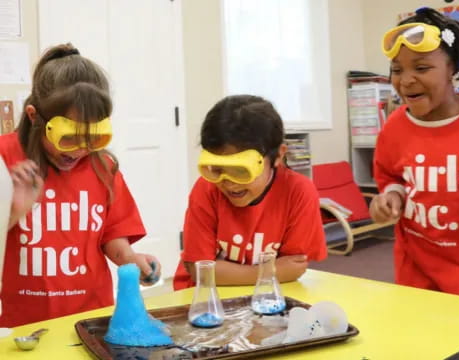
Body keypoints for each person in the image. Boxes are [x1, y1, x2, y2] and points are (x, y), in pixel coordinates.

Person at [0, 43, 161, 327]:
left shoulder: (103, 168)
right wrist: (14, 211)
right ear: (34, 116)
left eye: (93, 138)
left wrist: (132, 261)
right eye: (69, 138)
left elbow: (113, 236)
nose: (79, 150)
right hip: (20, 325)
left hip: (89, 319)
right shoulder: (5, 158)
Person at [370, 7, 459, 297]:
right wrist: (390, 197)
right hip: (416, 274)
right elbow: (391, 175)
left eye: (421, 68)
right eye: (397, 69)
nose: (406, 80)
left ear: (454, 68)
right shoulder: (394, 127)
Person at [173, 95, 327, 290]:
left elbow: (294, 267)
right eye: (217, 168)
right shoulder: (206, 188)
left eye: (240, 171)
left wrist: (226, 272)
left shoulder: (298, 191)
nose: (228, 183)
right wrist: (265, 272)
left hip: (267, 296)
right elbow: (199, 271)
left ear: (278, 155)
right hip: (205, 297)